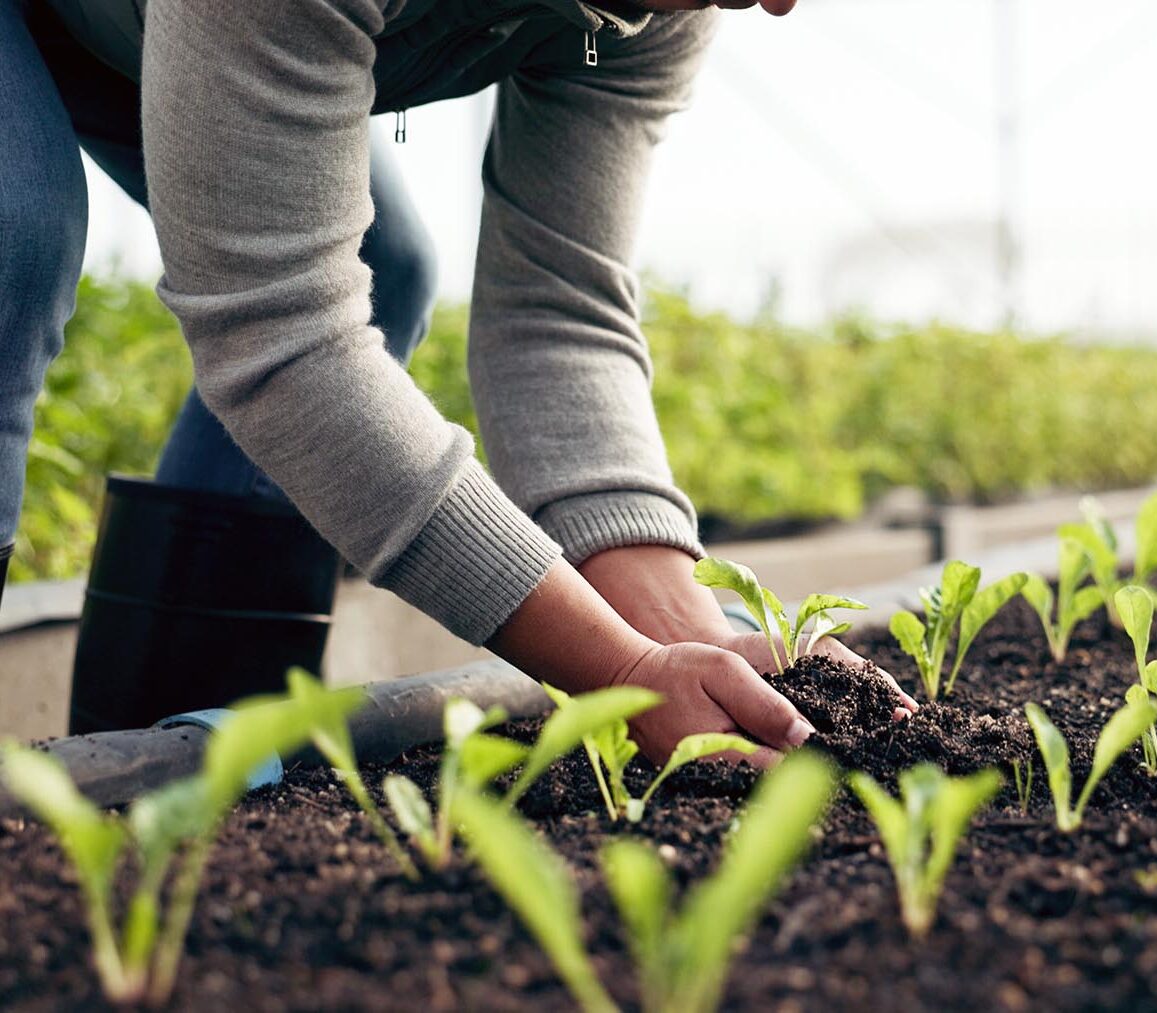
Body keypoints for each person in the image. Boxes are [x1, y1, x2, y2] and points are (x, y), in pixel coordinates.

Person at [1, 0, 914, 757]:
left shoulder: (657, 12)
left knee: (380, 267)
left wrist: (681, 627)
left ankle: (158, 772)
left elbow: (560, 306)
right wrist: (618, 671)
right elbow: (283, 328)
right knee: (15, 237)